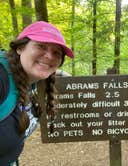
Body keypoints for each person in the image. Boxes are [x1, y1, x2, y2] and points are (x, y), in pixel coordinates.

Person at [0, 21, 74, 166]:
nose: (49, 56)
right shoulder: (2, 78)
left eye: (56, 53)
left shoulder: (31, 78)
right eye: (41, 46)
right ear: (20, 48)